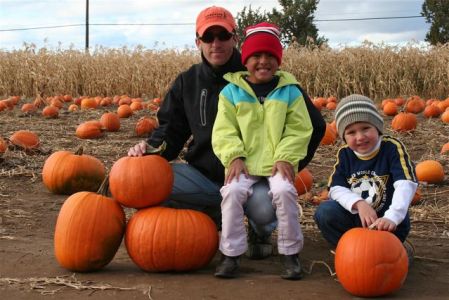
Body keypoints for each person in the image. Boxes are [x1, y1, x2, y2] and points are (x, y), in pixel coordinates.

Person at [128, 6, 325, 260]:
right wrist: (150, 150)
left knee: (265, 210)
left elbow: (314, 126)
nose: (216, 43)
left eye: (223, 35)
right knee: (147, 182)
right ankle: (213, 216)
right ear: (198, 41)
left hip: (259, 176)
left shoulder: (264, 77)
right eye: (209, 37)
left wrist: (287, 162)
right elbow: (171, 131)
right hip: (206, 175)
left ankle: (259, 229)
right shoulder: (188, 82)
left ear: (235, 38)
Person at [211, 22, 313, 280]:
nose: (263, 61)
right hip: (244, 162)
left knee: (284, 190)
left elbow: (299, 128)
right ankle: (231, 254)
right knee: (232, 191)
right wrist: (233, 155)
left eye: (270, 56)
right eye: (256, 55)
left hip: (277, 161)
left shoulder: (290, 92)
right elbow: (224, 130)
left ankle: (290, 253)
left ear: (278, 60)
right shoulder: (231, 92)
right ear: (245, 60)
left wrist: (286, 157)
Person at [313, 94, 417, 259]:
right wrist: (359, 204)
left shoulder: (391, 148)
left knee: (387, 260)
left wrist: (393, 216)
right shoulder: (345, 154)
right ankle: (351, 253)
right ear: (344, 137)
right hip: (356, 220)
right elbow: (335, 188)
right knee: (325, 213)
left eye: (365, 128)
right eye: (351, 132)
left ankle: (396, 250)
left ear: (377, 127)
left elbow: (406, 183)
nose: (360, 137)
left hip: (387, 223)